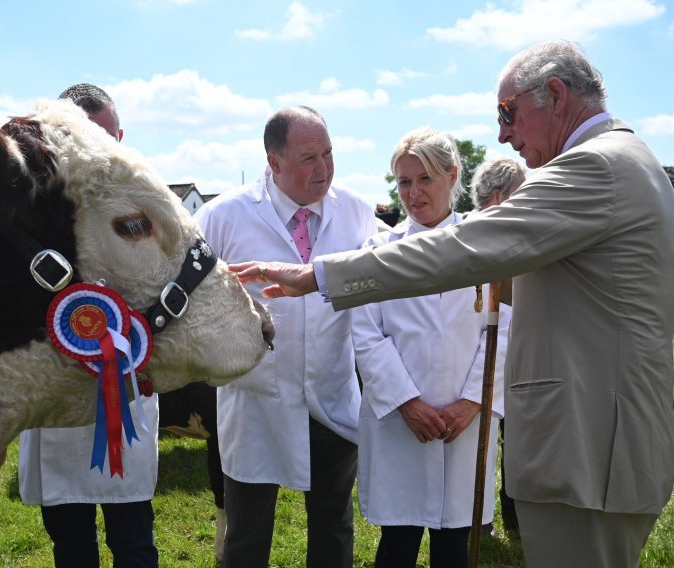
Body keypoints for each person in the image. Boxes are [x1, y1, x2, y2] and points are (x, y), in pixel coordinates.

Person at [229, 40, 674, 568]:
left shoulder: (594, 167)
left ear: (554, 94)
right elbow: (373, 334)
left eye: (507, 113)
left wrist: (318, 273)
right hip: (588, 439)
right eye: (404, 181)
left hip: (588, 447)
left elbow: (467, 252)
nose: (503, 134)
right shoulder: (626, 160)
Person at [194, 106, 378, 568]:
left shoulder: (356, 212)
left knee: (333, 527)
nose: (324, 168)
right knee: (248, 534)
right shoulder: (222, 217)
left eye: (329, 153)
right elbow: (191, 300)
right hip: (256, 401)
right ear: (273, 162)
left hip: (332, 395)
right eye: (309, 157)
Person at [352, 127, 511, 568]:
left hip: (465, 423)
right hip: (403, 422)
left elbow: (503, 329)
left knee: (453, 544)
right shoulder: (377, 252)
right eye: (404, 182)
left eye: (425, 179)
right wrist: (407, 403)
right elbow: (366, 333)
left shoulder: (486, 246)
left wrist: (473, 402)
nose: (413, 193)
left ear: (452, 176)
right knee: (398, 543)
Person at [18, 83, 159, 568]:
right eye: (90, 139)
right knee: (71, 544)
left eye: (110, 137)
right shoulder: (32, 213)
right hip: (58, 398)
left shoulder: (148, 209)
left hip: (128, 392)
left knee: (135, 538)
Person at [469, 156, 525, 535]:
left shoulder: (521, 230)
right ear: (501, 194)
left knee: (514, 438)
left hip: (517, 348)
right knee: (485, 436)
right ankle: (481, 519)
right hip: (481, 354)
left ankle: (508, 517)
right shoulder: (473, 232)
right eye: (524, 190)